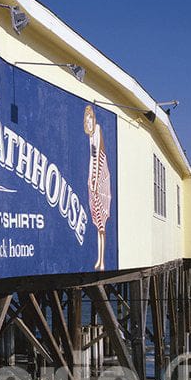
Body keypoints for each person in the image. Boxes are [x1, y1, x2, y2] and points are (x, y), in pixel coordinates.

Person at [83, 104, 111, 271]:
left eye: (90, 119)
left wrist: (94, 182)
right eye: (86, 120)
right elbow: (90, 162)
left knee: (102, 227)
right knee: (97, 225)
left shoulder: (98, 130)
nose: (89, 122)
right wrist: (89, 181)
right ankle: (99, 260)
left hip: (100, 182)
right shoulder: (89, 137)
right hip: (93, 182)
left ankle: (101, 260)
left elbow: (97, 160)